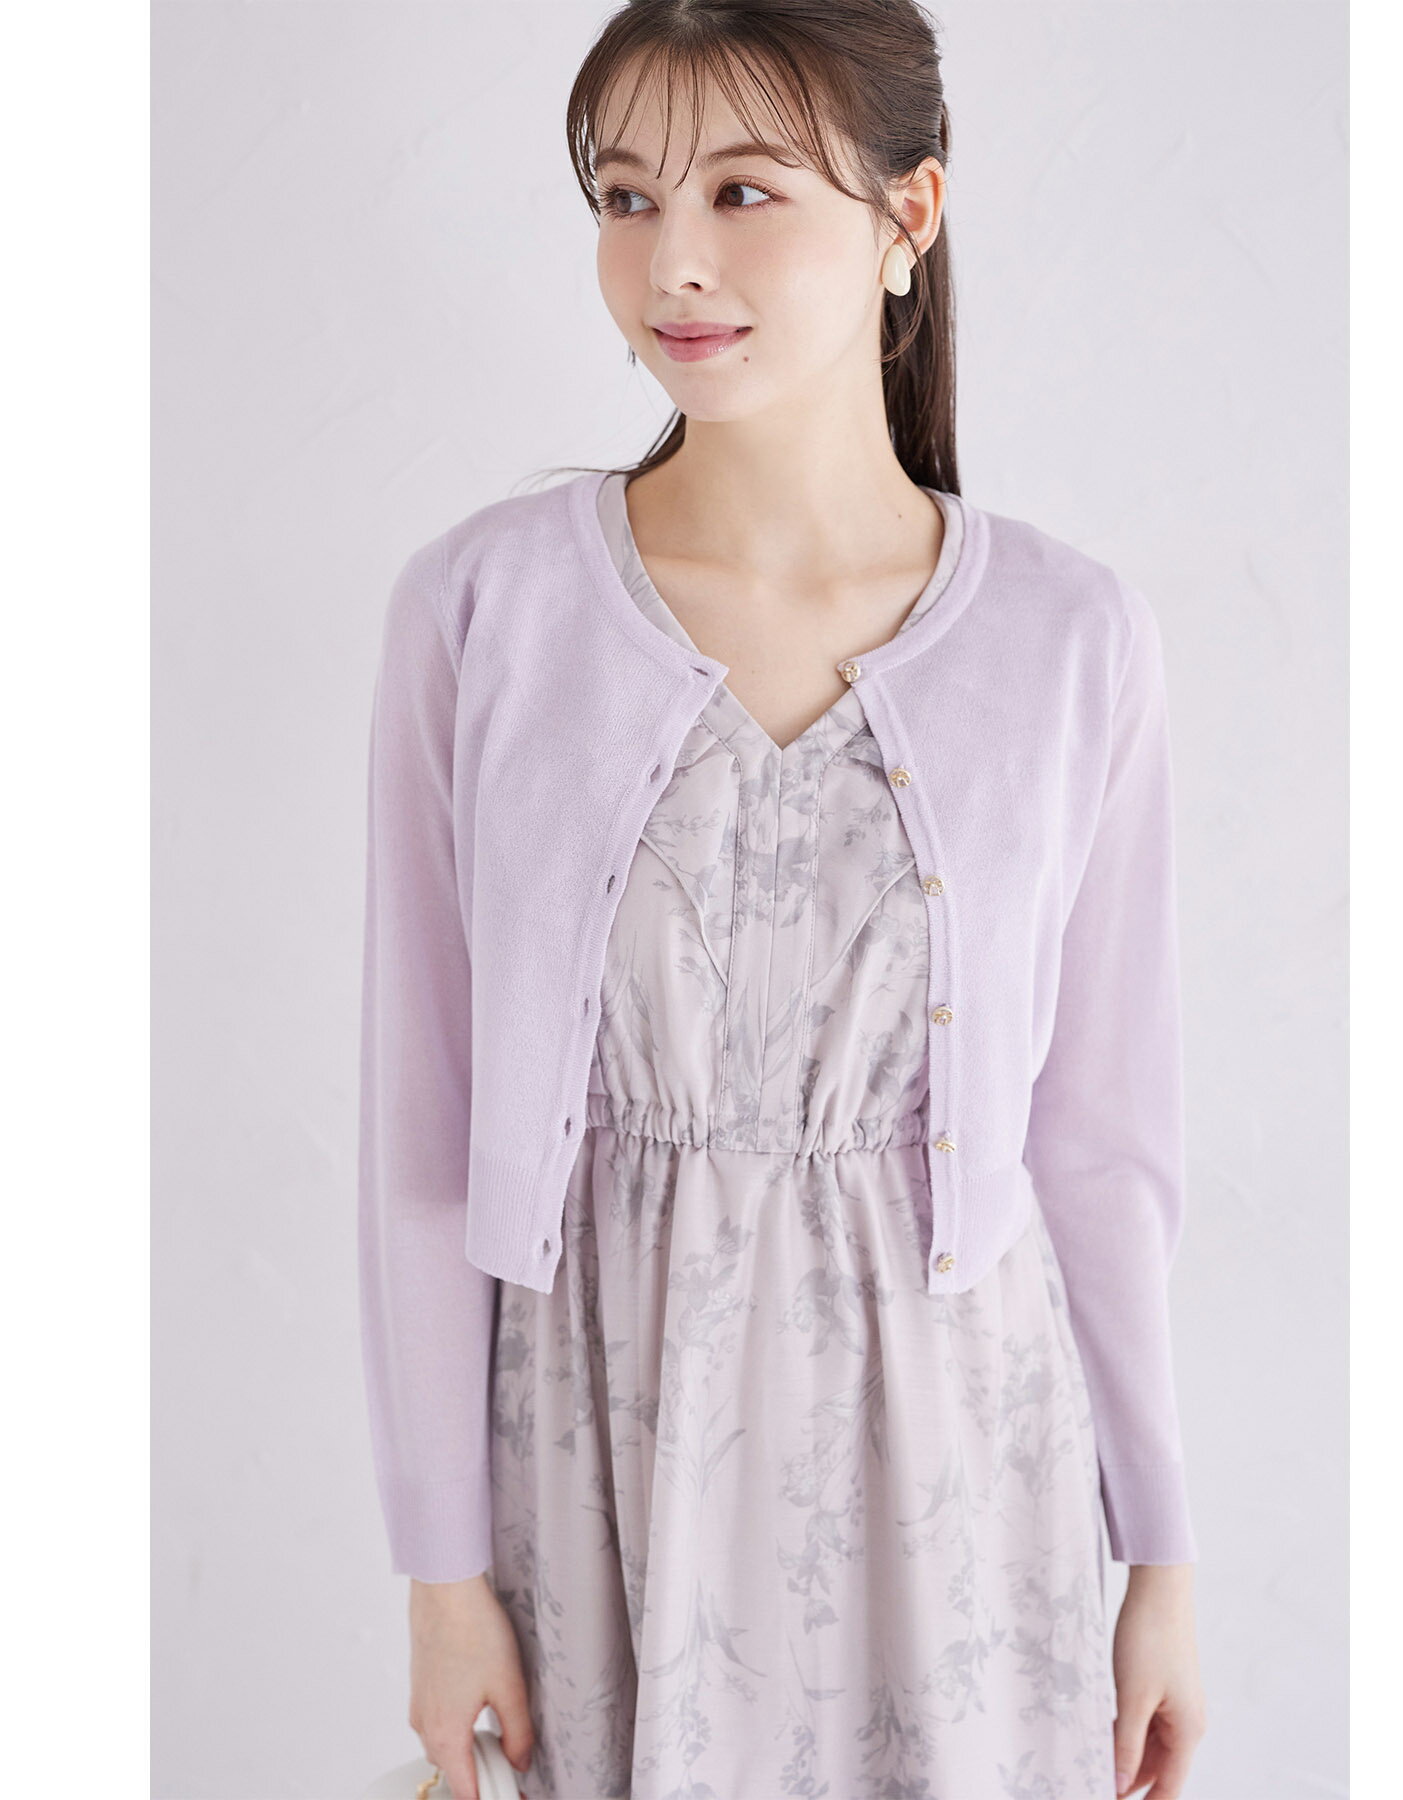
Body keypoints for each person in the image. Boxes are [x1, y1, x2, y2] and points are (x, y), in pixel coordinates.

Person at [358, 4, 1208, 1798]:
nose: (673, 260)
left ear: (911, 216)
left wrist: (1162, 1556)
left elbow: (1102, 1146)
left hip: (968, 1479)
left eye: (745, 193)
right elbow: (420, 1127)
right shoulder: (482, 611)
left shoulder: (1072, 640)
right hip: (597, 1457)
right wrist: (439, 1572)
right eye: (626, 195)